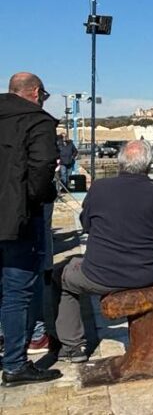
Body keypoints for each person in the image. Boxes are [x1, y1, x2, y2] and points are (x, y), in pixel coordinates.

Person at [55, 140, 153, 363]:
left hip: (99, 276)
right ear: (148, 164)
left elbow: (86, 225)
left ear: (120, 163)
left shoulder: (99, 188)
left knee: (60, 278)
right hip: (146, 276)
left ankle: (73, 347)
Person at [0, 72, 62, 386]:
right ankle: (14, 365)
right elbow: (41, 169)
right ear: (36, 92)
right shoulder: (38, 122)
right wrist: (40, 197)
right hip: (18, 219)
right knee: (17, 292)